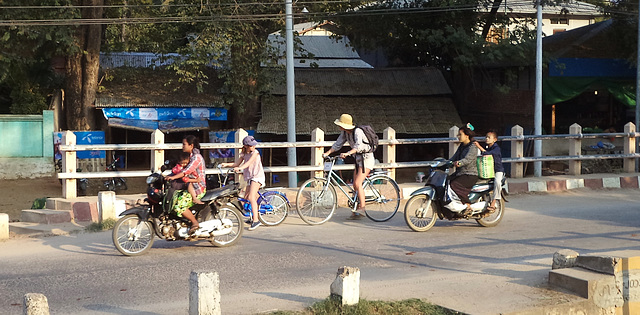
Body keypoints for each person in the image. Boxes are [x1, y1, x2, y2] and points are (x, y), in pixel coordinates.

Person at [322, 114, 374, 220]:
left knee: (357, 183)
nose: (339, 127)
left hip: (367, 160)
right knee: (355, 186)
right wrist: (327, 153)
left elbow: (358, 146)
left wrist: (348, 153)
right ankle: (356, 211)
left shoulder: (358, 131)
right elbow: (338, 144)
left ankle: (362, 208)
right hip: (358, 160)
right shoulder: (345, 133)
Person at [220, 135, 265, 231]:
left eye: (253, 145)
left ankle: (256, 220)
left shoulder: (255, 153)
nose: (253, 147)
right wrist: (226, 164)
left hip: (257, 177)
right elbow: (237, 164)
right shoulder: (244, 154)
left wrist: (240, 168)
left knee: (251, 197)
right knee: (246, 197)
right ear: (245, 146)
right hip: (250, 177)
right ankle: (252, 215)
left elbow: (248, 164)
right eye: (250, 145)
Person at [165, 135, 207, 234]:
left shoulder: (196, 158)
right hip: (188, 185)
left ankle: (195, 223)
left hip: (197, 187)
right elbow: (179, 169)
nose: (182, 146)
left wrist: (173, 178)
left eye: (184, 144)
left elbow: (186, 171)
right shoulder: (189, 156)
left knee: (179, 206)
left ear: (191, 145)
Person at [449, 124, 479, 214]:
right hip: (461, 173)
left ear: (467, 136)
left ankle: (468, 205)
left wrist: (459, 163)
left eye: (460, 134)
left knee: (454, 185)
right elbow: (454, 157)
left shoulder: (473, 147)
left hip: (470, 175)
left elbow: (468, 159)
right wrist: (446, 163)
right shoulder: (462, 146)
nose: (458, 136)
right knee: (446, 183)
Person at [475, 130, 504, 213]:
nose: (487, 139)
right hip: (487, 170)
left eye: (489, 137)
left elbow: (487, 154)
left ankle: (494, 202)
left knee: (497, 182)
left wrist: (478, 146)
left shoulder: (496, 148)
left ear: (494, 139)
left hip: (497, 170)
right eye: (486, 137)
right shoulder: (487, 146)